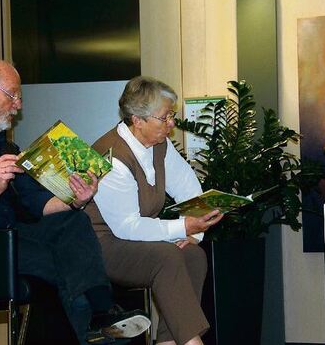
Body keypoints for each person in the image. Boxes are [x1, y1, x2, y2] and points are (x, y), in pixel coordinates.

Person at [0, 53, 150, 344]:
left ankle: (100, 314)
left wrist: (76, 197)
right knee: (59, 264)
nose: (18, 106)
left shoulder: (5, 146)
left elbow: (37, 203)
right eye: (13, 95)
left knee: (72, 221)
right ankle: (96, 324)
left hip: (7, 241)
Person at [84, 76, 224, 345]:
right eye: (164, 118)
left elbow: (188, 189)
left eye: (171, 115)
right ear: (138, 120)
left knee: (193, 255)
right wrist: (183, 227)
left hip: (138, 238)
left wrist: (197, 230)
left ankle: (169, 342)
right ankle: (192, 342)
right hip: (104, 245)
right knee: (167, 257)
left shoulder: (160, 145)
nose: (171, 124)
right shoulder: (110, 157)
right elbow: (127, 227)